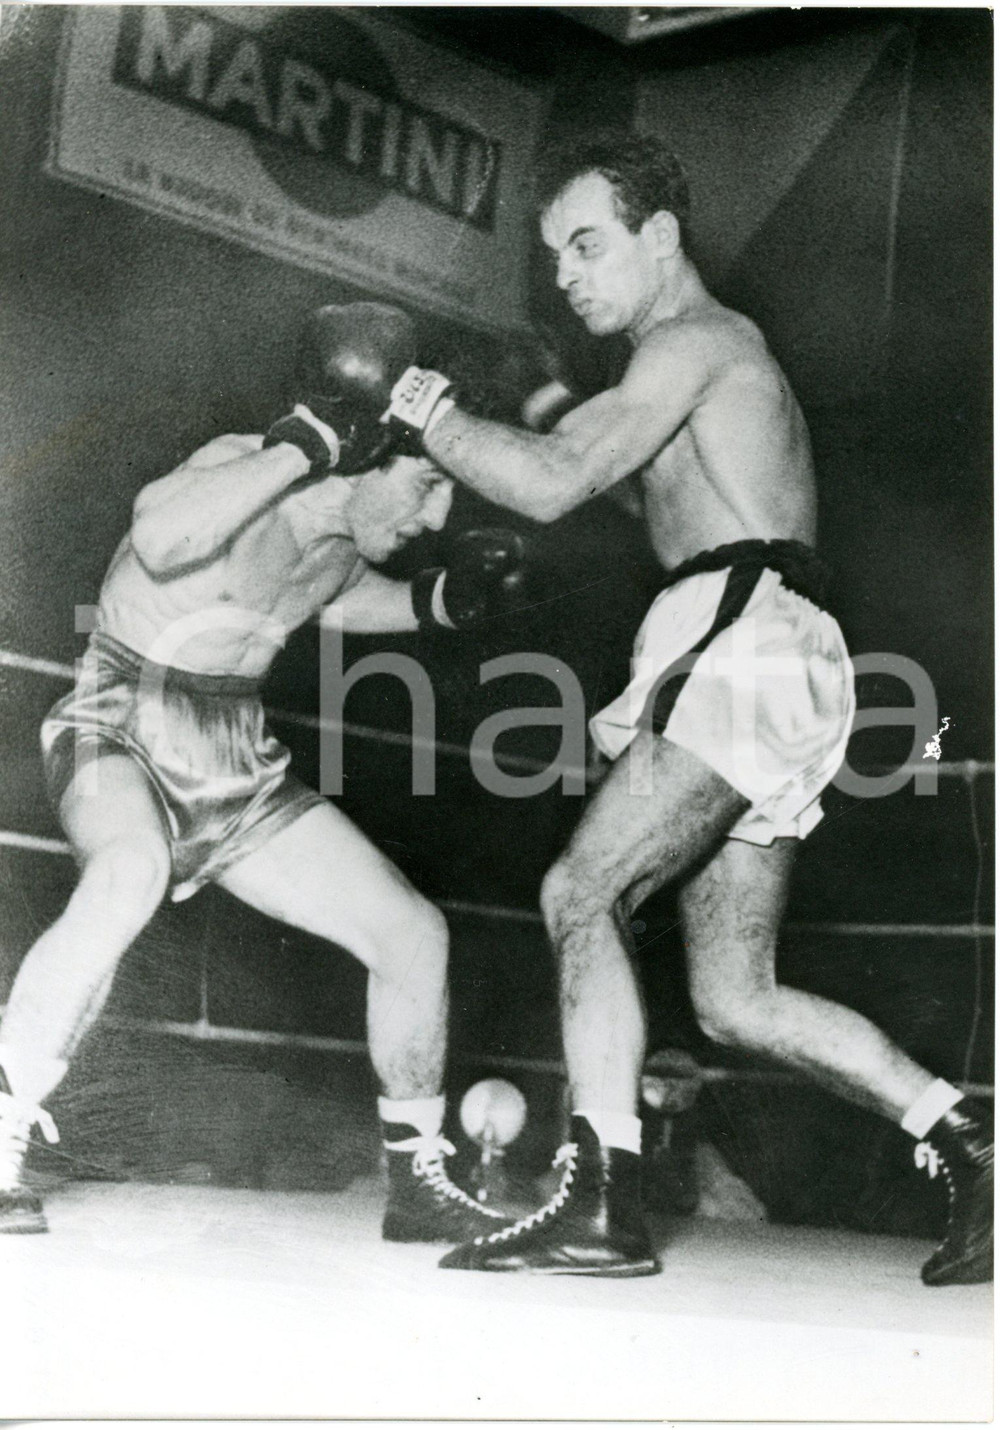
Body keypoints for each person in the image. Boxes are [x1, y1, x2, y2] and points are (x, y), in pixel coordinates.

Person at [307, 133, 993, 1286]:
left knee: (582, 889)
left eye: (588, 244)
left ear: (660, 236)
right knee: (734, 995)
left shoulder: (693, 339)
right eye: (554, 254)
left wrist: (419, 401)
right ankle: (970, 1140)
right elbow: (638, 488)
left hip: (744, 638)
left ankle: (602, 1199)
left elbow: (552, 480)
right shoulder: (691, 367)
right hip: (761, 640)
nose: (568, 275)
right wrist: (535, 393)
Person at [0, 302, 526, 1244]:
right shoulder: (247, 465)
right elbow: (162, 539)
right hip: (121, 710)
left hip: (233, 755)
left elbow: (332, 598)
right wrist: (302, 443)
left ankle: (415, 1177)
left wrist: (443, 604)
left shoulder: (342, 542)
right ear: (366, 454)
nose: (437, 516)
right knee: (130, 872)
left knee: (411, 931)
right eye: (429, 486)